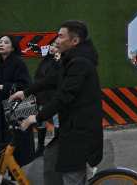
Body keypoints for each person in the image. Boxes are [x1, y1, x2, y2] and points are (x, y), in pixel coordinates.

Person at [10, 20, 103, 185]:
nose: (57, 40)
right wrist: (26, 92)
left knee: (71, 177)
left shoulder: (80, 62)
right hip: (71, 127)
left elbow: (64, 96)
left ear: (75, 41)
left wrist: (37, 118)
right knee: (51, 155)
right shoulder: (71, 59)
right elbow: (52, 79)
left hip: (80, 131)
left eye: (61, 36)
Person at [0, 34, 35, 167]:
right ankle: (5, 170)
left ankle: (14, 173)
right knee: (3, 145)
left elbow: (26, 86)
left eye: (6, 42)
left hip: (15, 110)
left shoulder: (18, 62)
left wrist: (2, 87)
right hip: (1, 110)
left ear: (13, 47)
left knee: (16, 145)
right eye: (0, 42)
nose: (1, 44)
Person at [33, 43, 60, 156]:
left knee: (57, 121)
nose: (53, 48)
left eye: (56, 47)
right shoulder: (44, 61)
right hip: (43, 97)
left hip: (55, 98)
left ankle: (57, 147)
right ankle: (40, 146)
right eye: (52, 45)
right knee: (41, 122)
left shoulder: (62, 62)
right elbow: (37, 77)